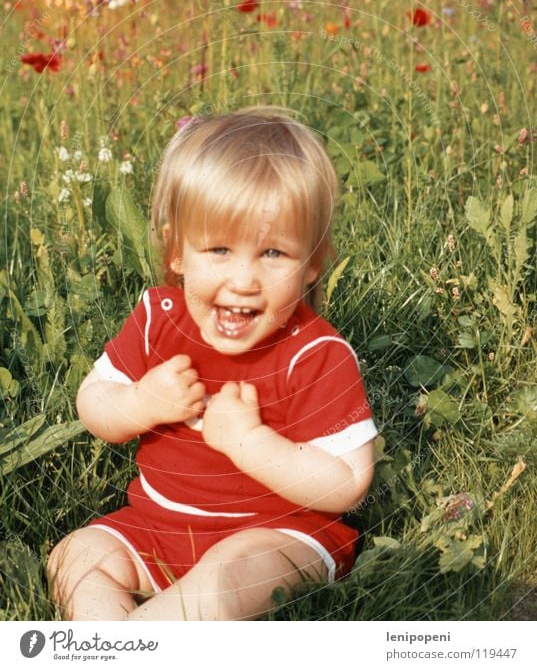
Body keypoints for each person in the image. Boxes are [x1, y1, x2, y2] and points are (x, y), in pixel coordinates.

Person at [48, 107, 377, 621]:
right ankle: (111, 641)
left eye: (273, 254)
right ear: (177, 251)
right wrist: (139, 403)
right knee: (76, 555)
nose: (244, 279)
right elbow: (92, 402)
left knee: (226, 573)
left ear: (312, 261)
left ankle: (136, 646)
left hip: (277, 537)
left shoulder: (315, 354)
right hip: (158, 524)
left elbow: (347, 485)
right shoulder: (159, 320)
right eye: (219, 249)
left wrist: (251, 443)